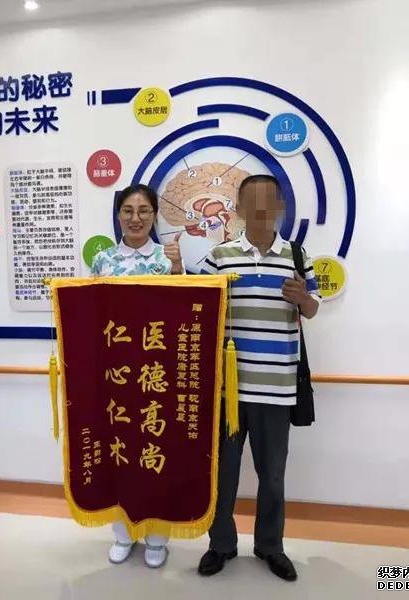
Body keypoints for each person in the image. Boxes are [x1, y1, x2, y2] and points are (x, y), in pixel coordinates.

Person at [196, 174, 320, 582]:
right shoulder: (221, 255)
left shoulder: (297, 255)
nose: (262, 209)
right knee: (222, 474)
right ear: (240, 208)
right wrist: (179, 270)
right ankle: (221, 545)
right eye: (254, 201)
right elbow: (198, 305)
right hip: (228, 389)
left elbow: (313, 308)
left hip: (277, 387)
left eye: (270, 201)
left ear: (281, 206)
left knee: (273, 476)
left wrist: (303, 299)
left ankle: (270, 546)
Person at [90, 183, 182, 568]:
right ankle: (123, 534)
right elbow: (90, 316)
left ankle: (157, 537)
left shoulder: (166, 258)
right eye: (128, 210)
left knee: (156, 455)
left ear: (155, 215)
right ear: (118, 215)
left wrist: (178, 270)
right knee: (120, 456)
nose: (135, 218)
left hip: (156, 376)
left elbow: (183, 314)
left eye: (144, 211)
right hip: (116, 377)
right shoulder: (103, 261)